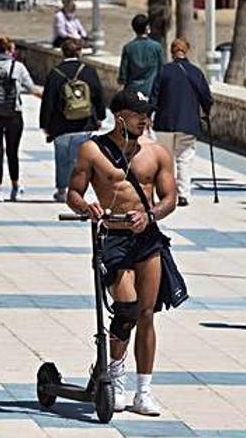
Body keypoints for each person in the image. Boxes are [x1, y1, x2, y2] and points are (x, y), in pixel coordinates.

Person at [67, 89, 180, 416]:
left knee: (146, 314)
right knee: (127, 309)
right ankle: (115, 378)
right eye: (138, 115)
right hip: (114, 239)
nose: (145, 121)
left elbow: (170, 197)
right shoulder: (92, 150)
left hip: (147, 240)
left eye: (147, 114)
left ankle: (143, 391)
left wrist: (151, 215)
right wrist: (87, 206)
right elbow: (73, 192)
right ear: (120, 118)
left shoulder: (156, 153)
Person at [40, 38, 106, 203]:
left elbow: (48, 100)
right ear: (79, 52)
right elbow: (98, 95)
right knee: (79, 161)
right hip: (84, 123)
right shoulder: (88, 71)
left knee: (62, 159)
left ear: (63, 52)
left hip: (61, 125)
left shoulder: (55, 73)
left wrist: (45, 124)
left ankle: (62, 191)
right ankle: (77, 192)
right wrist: (100, 116)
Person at [0, 37, 42, 202]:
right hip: (14, 114)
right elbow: (31, 88)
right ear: (8, 50)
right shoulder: (18, 67)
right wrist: (48, 98)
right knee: (13, 152)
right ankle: (15, 187)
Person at [151, 38, 213, 207]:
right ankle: (183, 194)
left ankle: (165, 193)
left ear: (172, 51)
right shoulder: (195, 72)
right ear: (187, 50)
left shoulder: (164, 71)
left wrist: (148, 115)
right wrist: (206, 112)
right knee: (185, 158)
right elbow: (206, 97)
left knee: (165, 159)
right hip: (188, 123)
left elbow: (154, 96)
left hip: (165, 122)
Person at [117, 14, 164, 98]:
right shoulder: (157, 47)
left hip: (132, 92)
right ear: (146, 28)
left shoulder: (128, 48)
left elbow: (123, 76)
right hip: (151, 92)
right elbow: (161, 72)